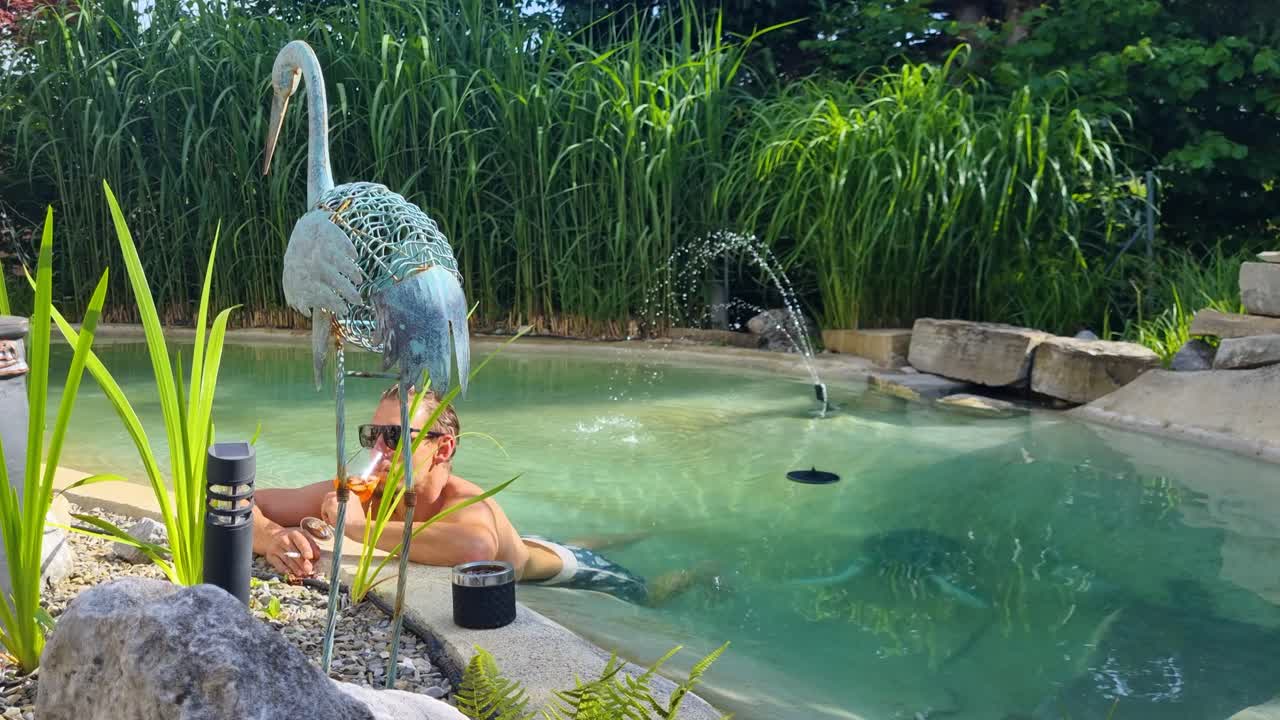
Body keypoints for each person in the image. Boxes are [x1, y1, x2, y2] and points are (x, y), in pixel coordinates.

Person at [252, 384, 703, 606]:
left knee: (650, 594)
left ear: (442, 447)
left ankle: (700, 571)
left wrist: (359, 528)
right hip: (521, 543)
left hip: (550, 571)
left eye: (395, 436)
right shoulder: (371, 487)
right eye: (373, 434)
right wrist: (272, 538)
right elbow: (241, 501)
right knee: (537, 542)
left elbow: (475, 547)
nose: (378, 450)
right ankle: (609, 535)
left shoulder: (466, 501)